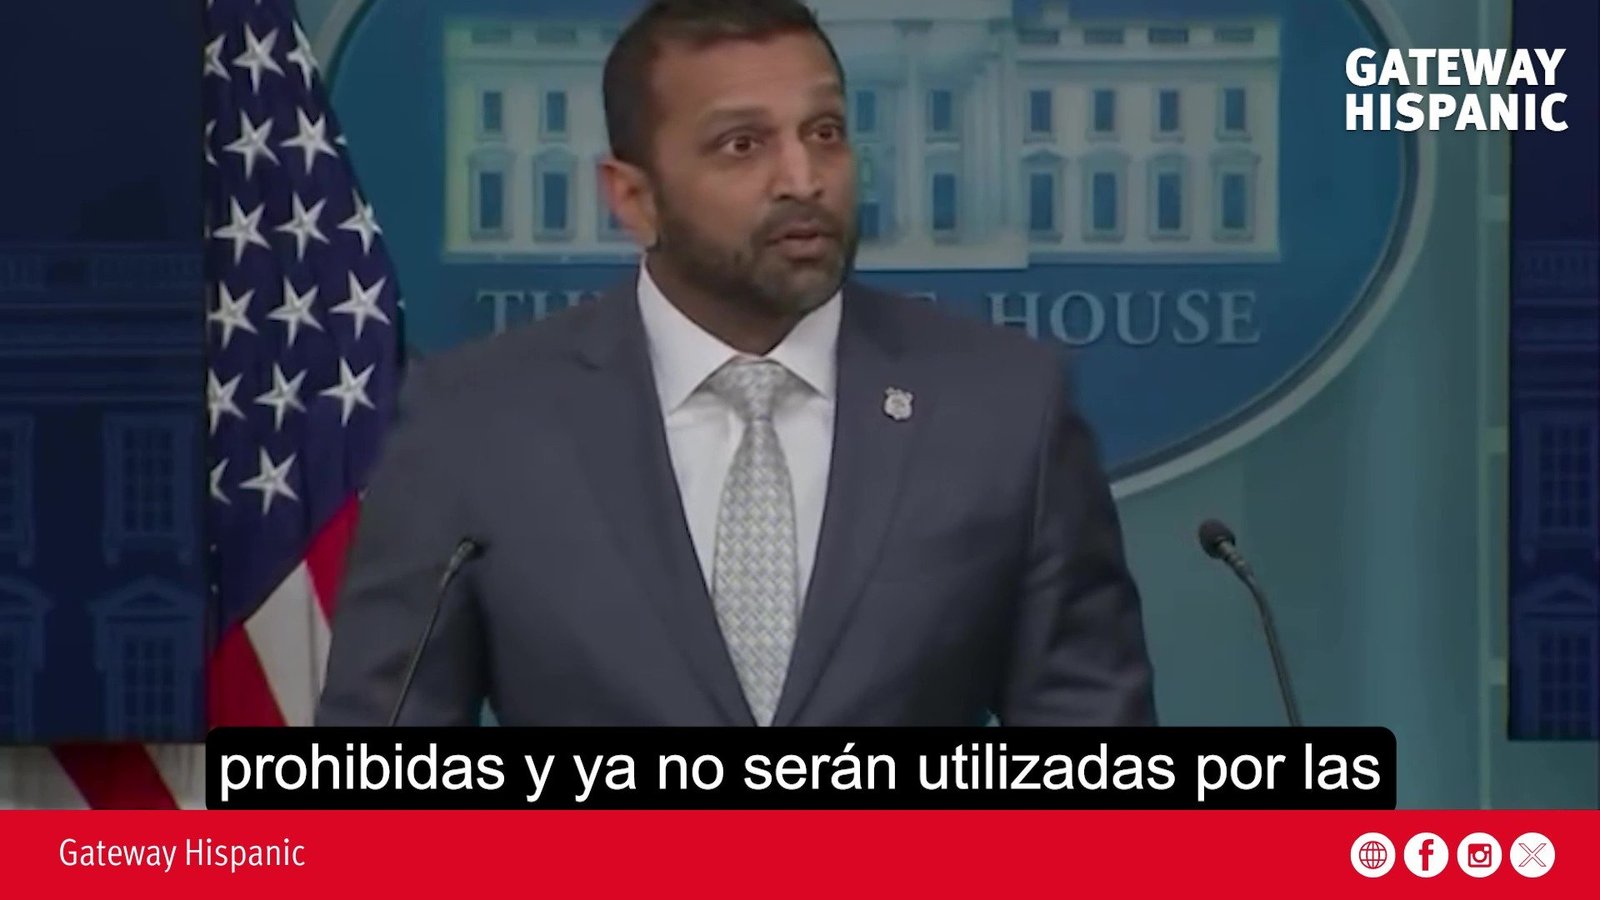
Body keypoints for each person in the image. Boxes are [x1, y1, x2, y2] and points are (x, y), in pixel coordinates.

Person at [315, 0, 1157, 727]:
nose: (803, 178)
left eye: (824, 133)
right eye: (742, 144)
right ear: (634, 197)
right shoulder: (471, 424)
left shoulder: (1007, 408)